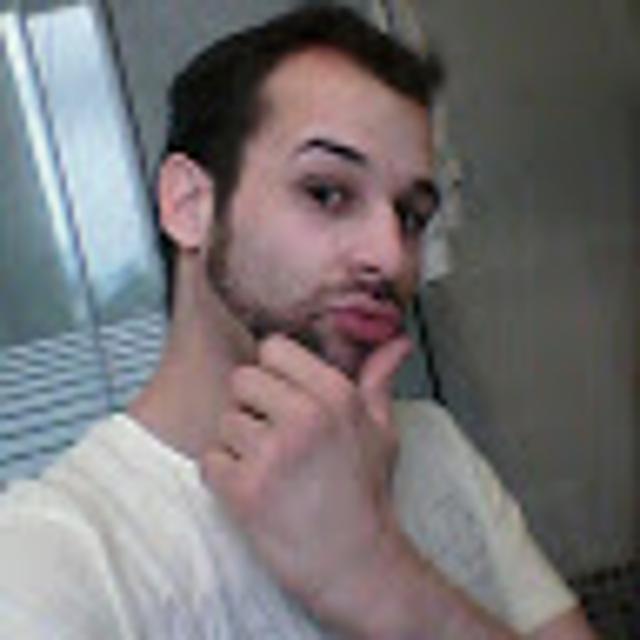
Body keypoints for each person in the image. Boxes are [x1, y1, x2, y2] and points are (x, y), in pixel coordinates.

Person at [0, 6, 597, 639]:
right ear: (190, 205)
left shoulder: (433, 445)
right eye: (327, 193)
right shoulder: (49, 559)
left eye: (411, 216)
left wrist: (375, 575)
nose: (391, 255)